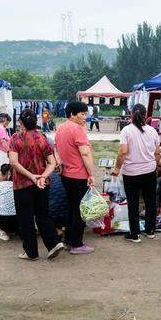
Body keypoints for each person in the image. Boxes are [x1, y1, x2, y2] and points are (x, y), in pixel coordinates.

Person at [9, 109, 65, 260]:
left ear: (21, 122)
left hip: (22, 184)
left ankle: (31, 252)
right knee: (43, 215)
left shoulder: (16, 138)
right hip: (42, 183)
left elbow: (14, 162)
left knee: (25, 218)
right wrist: (42, 176)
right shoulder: (42, 138)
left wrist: (31, 176)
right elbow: (52, 163)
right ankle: (53, 243)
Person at [111, 103, 161, 243]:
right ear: (145, 115)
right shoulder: (152, 131)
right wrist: (155, 165)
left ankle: (134, 234)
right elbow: (157, 152)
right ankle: (150, 231)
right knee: (150, 201)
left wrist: (116, 168)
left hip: (131, 173)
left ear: (131, 114)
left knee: (133, 203)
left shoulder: (127, 131)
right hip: (150, 171)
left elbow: (123, 152)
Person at [55, 101, 96, 254]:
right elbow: (85, 153)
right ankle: (77, 244)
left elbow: (56, 151)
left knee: (72, 209)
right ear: (72, 114)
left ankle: (68, 240)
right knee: (80, 210)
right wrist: (91, 174)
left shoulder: (60, 128)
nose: (84, 117)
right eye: (82, 114)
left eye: (86, 114)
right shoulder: (77, 129)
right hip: (79, 176)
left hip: (66, 175)